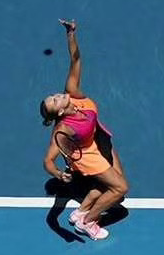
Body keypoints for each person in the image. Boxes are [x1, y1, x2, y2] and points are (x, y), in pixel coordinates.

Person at [41, 19, 129, 241]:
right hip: (89, 156)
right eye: (54, 101)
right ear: (60, 112)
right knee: (120, 188)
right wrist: (58, 174)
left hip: (100, 139)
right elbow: (48, 160)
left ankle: (80, 212)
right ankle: (87, 221)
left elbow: (76, 59)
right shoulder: (64, 129)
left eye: (53, 96)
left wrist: (71, 34)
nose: (56, 95)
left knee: (111, 187)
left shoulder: (73, 93)